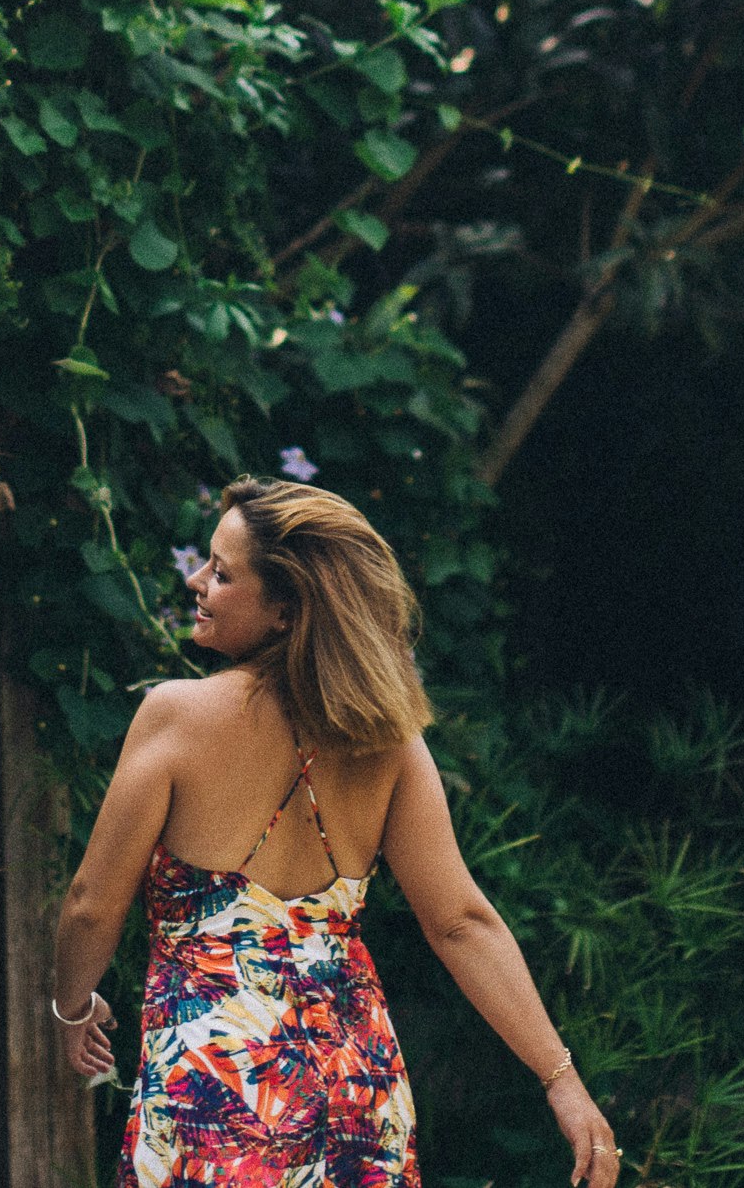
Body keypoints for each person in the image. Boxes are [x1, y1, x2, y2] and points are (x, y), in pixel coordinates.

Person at [48, 477, 621, 1188]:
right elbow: (462, 922)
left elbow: (90, 904)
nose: (196, 581)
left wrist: (71, 1005)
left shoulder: (177, 716)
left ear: (287, 609)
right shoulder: (388, 741)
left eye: (223, 573)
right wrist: (560, 1079)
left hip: (225, 1091)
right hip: (355, 1090)